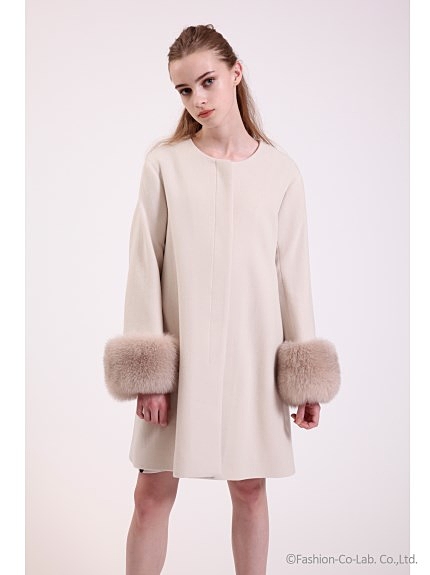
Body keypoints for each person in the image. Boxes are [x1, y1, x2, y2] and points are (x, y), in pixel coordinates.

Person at [103, 24, 340, 575]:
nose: (198, 99)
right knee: (151, 496)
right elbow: (144, 266)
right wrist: (150, 375)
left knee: (250, 491)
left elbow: (293, 276)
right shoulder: (165, 163)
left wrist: (305, 380)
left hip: (252, 359)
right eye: (185, 90)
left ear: (236, 73)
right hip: (179, 361)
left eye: (207, 81)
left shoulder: (281, 173)